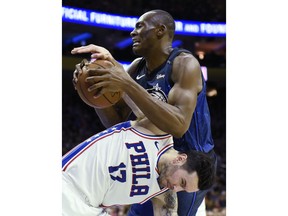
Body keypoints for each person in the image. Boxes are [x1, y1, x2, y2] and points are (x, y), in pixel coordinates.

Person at [71, 9, 217, 216]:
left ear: (160, 30)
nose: (132, 33)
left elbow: (179, 126)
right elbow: (116, 123)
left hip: (188, 162)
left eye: (139, 26)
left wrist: (126, 83)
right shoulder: (136, 68)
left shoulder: (184, 63)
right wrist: (96, 96)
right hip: (154, 156)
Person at [62, 117, 215, 216]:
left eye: (183, 190)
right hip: (67, 186)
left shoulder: (164, 193)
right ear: (180, 159)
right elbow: (129, 91)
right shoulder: (158, 130)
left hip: (92, 209)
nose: (176, 189)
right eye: (182, 182)